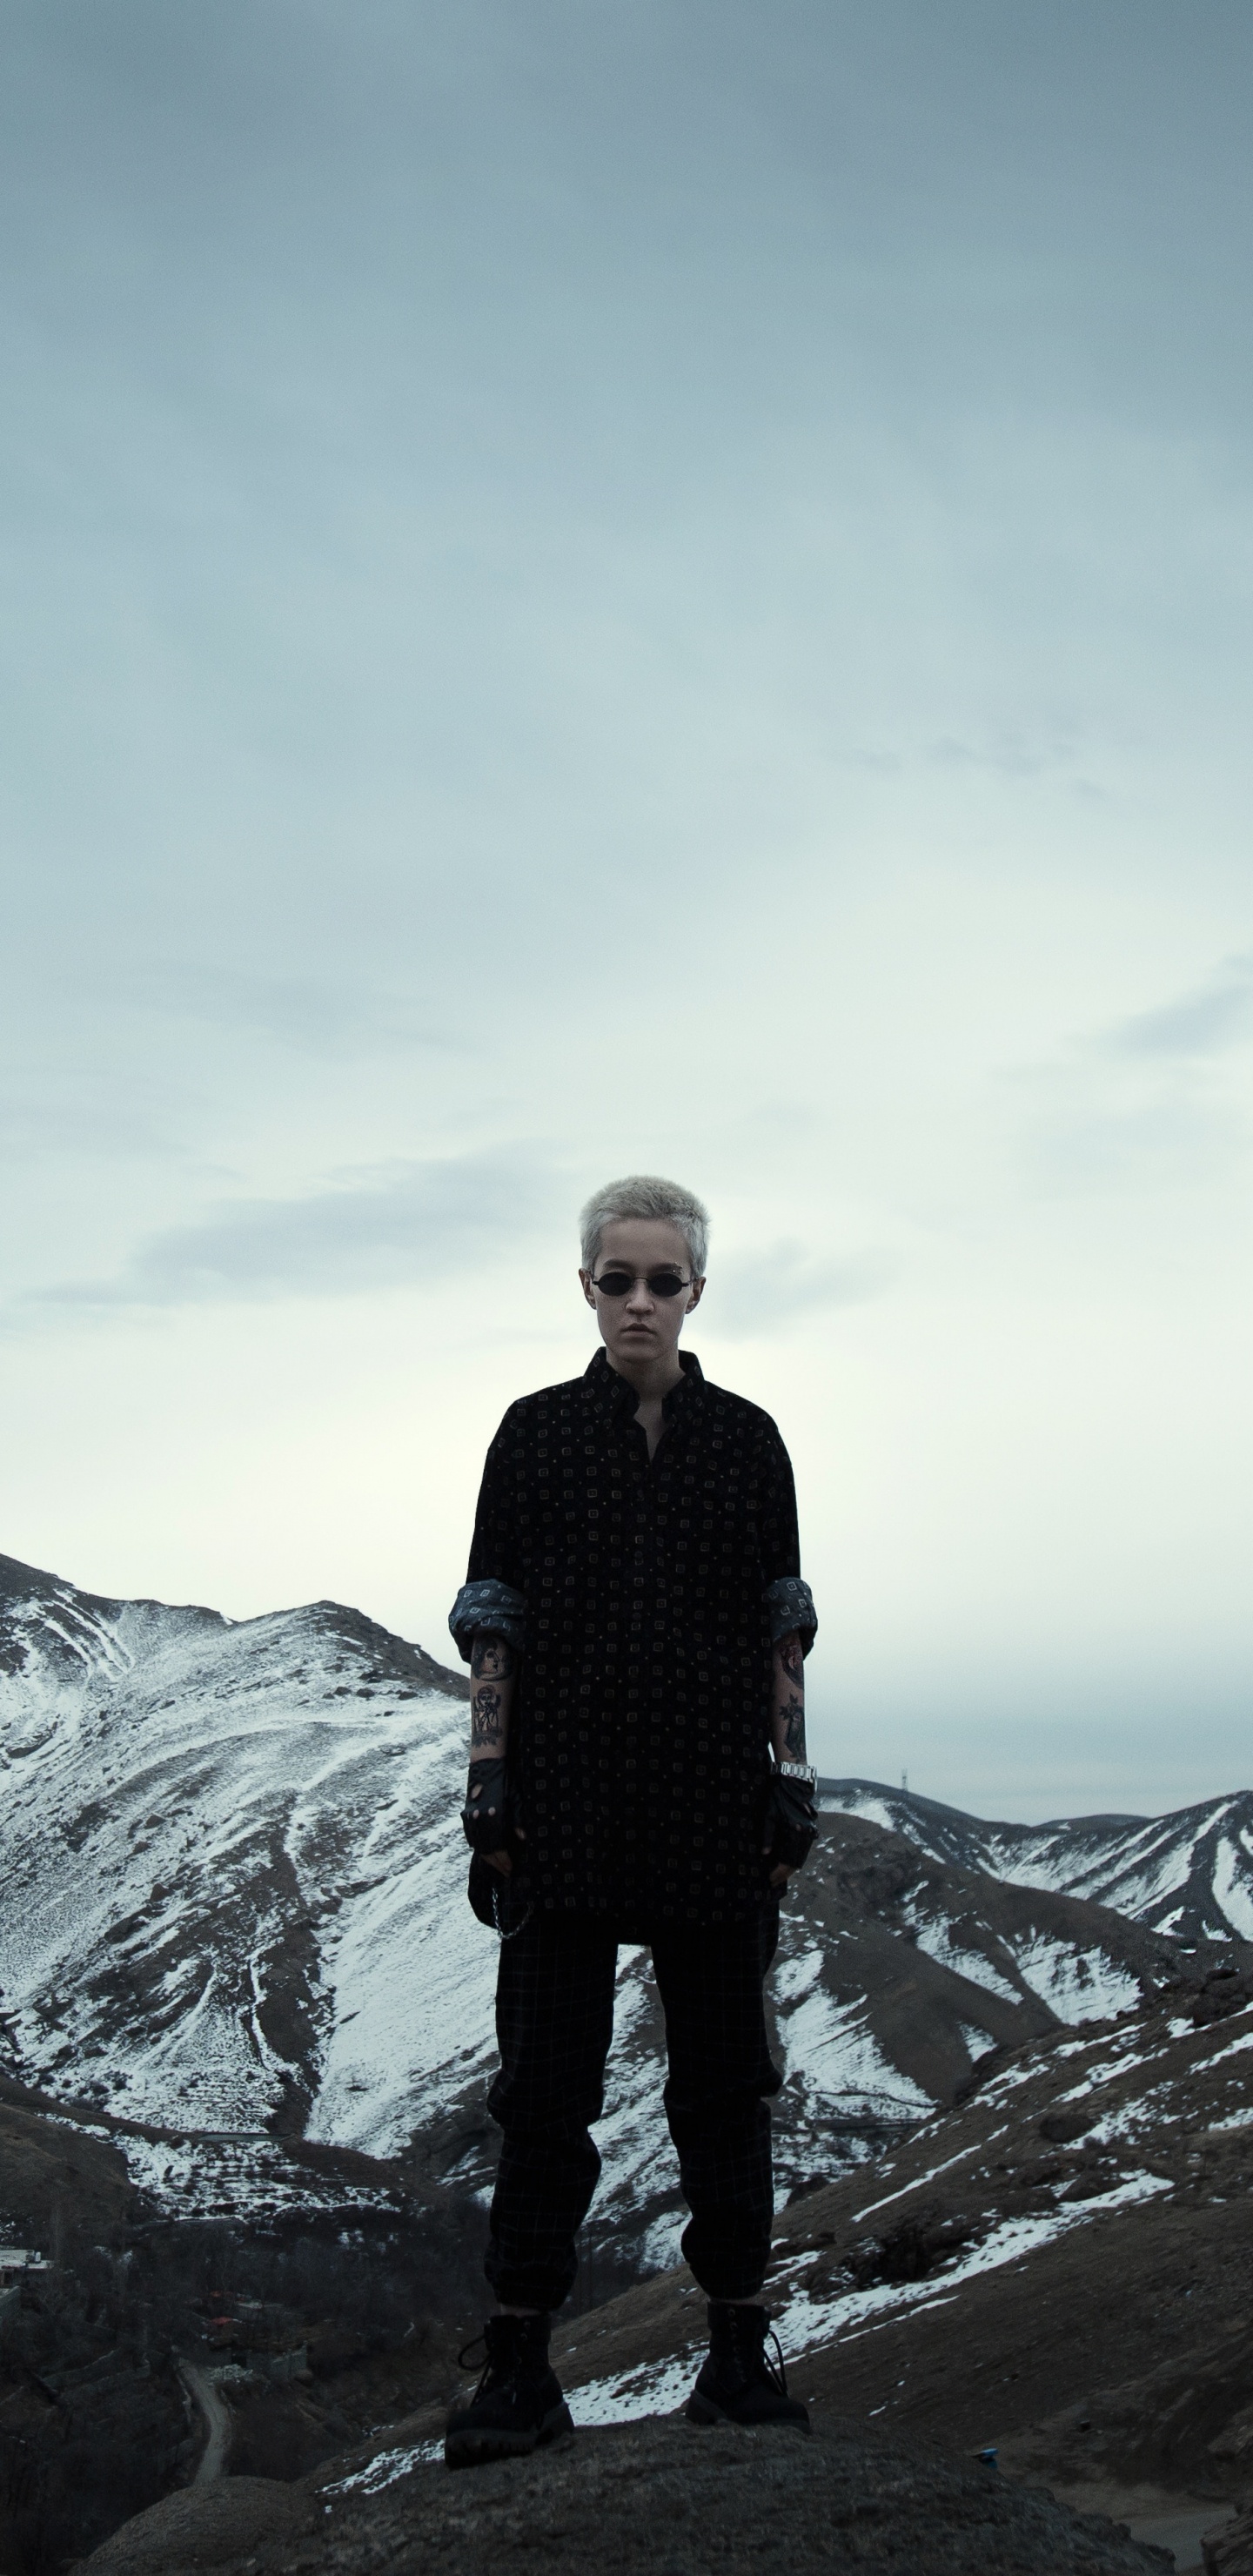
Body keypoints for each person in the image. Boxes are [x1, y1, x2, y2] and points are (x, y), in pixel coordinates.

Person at [444, 1173, 819, 2468]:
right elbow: (492, 1614)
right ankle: (518, 2370)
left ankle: (736, 2353)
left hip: (714, 1812)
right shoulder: (534, 1435)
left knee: (725, 2097)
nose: (642, 1301)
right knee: (544, 2097)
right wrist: (490, 1787)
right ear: (588, 1287)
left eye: (665, 1280)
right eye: (620, 1279)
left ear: (696, 1291)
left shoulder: (750, 1440)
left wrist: (793, 1778)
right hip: (562, 1812)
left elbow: (784, 1621)